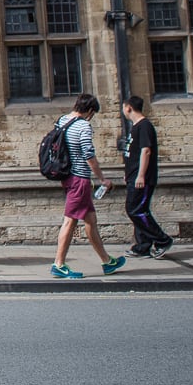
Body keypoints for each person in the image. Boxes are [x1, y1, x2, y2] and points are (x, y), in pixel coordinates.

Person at [49, 94, 126, 279]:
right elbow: (88, 155)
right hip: (79, 179)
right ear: (90, 111)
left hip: (67, 176)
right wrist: (102, 179)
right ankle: (58, 264)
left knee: (91, 220)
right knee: (70, 221)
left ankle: (107, 261)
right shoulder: (83, 125)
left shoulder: (62, 120)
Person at [122, 96, 172, 259]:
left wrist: (141, 175)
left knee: (136, 210)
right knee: (137, 210)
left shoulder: (144, 126)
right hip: (133, 177)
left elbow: (146, 151)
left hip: (142, 179)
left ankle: (163, 240)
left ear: (128, 108)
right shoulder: (136, 127)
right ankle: (142, 246)